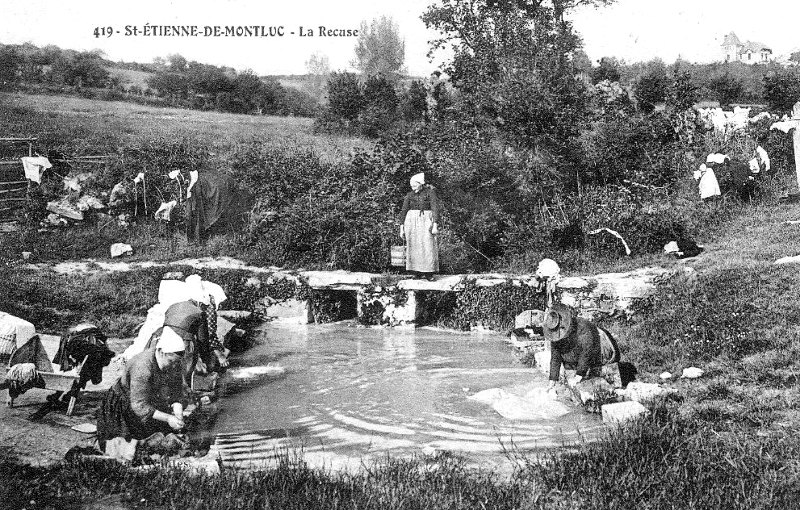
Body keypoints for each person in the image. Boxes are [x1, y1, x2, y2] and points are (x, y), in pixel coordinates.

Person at [96, 327, 187, 447]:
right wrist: (169, 418)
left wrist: (178, 413)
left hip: (150, 403)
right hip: (124, 406)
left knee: (163, 439)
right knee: (126, 447)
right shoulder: (142, 366)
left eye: (177, 363)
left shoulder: (174, 363)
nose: (174, 366)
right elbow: (139, 406)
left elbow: (177, 390)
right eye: (171, 362)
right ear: (161, 352)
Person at [145, 275, 229, 385]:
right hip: (182, 341)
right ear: (200, 303)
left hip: (161, 337)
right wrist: (207, 362)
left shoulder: (175, 305)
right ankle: (187, 394)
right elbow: (203, 340)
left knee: (162, 369)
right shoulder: (199, 313)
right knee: (185, 373)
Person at [543, 304, 620, 392]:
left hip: (599, 353)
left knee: (589, 383)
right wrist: (552, 382)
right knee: (570, 388)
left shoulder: (583, 327)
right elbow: (555, 358)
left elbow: (586, 352)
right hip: (575, 359)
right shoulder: (555, 335)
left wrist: (578, 376)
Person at [399, 172, 440, 280]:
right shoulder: (409, 195)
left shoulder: (430, 193)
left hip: (426, 221)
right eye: (411, 186)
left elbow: (435, 208)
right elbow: (403, 211)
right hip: (411, 223)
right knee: (414, 246)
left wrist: (435, 225)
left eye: (415, 185)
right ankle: (416, 272)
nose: (413, 188)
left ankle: (428, 273)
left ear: (420, 184)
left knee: (427, 245)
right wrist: (401, 228)